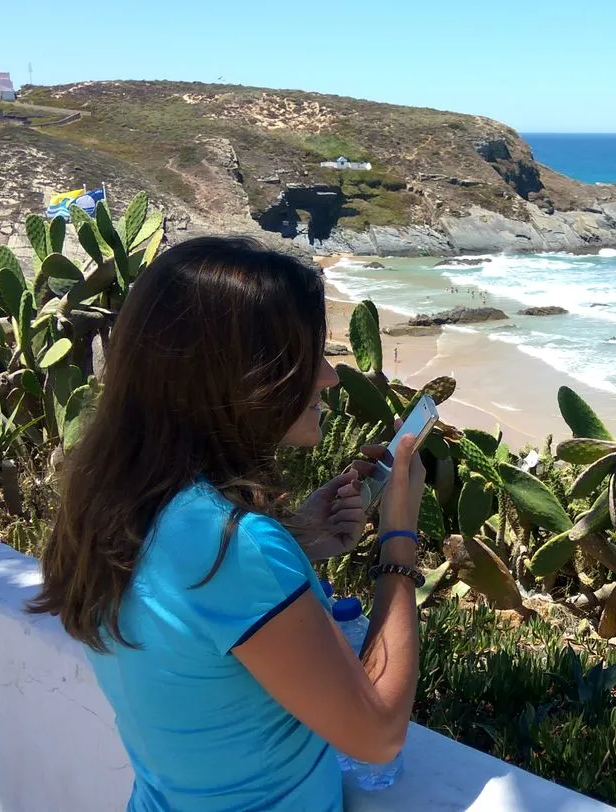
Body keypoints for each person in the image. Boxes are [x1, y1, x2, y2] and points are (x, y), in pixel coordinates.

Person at [29, 236, 425, 811]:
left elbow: (189, 624)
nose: (329, 378)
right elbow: (377, 734)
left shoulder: (121, 503)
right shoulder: (236, 549)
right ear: (244, 379)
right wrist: (398, 540)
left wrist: (297, 538)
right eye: (305, 357)